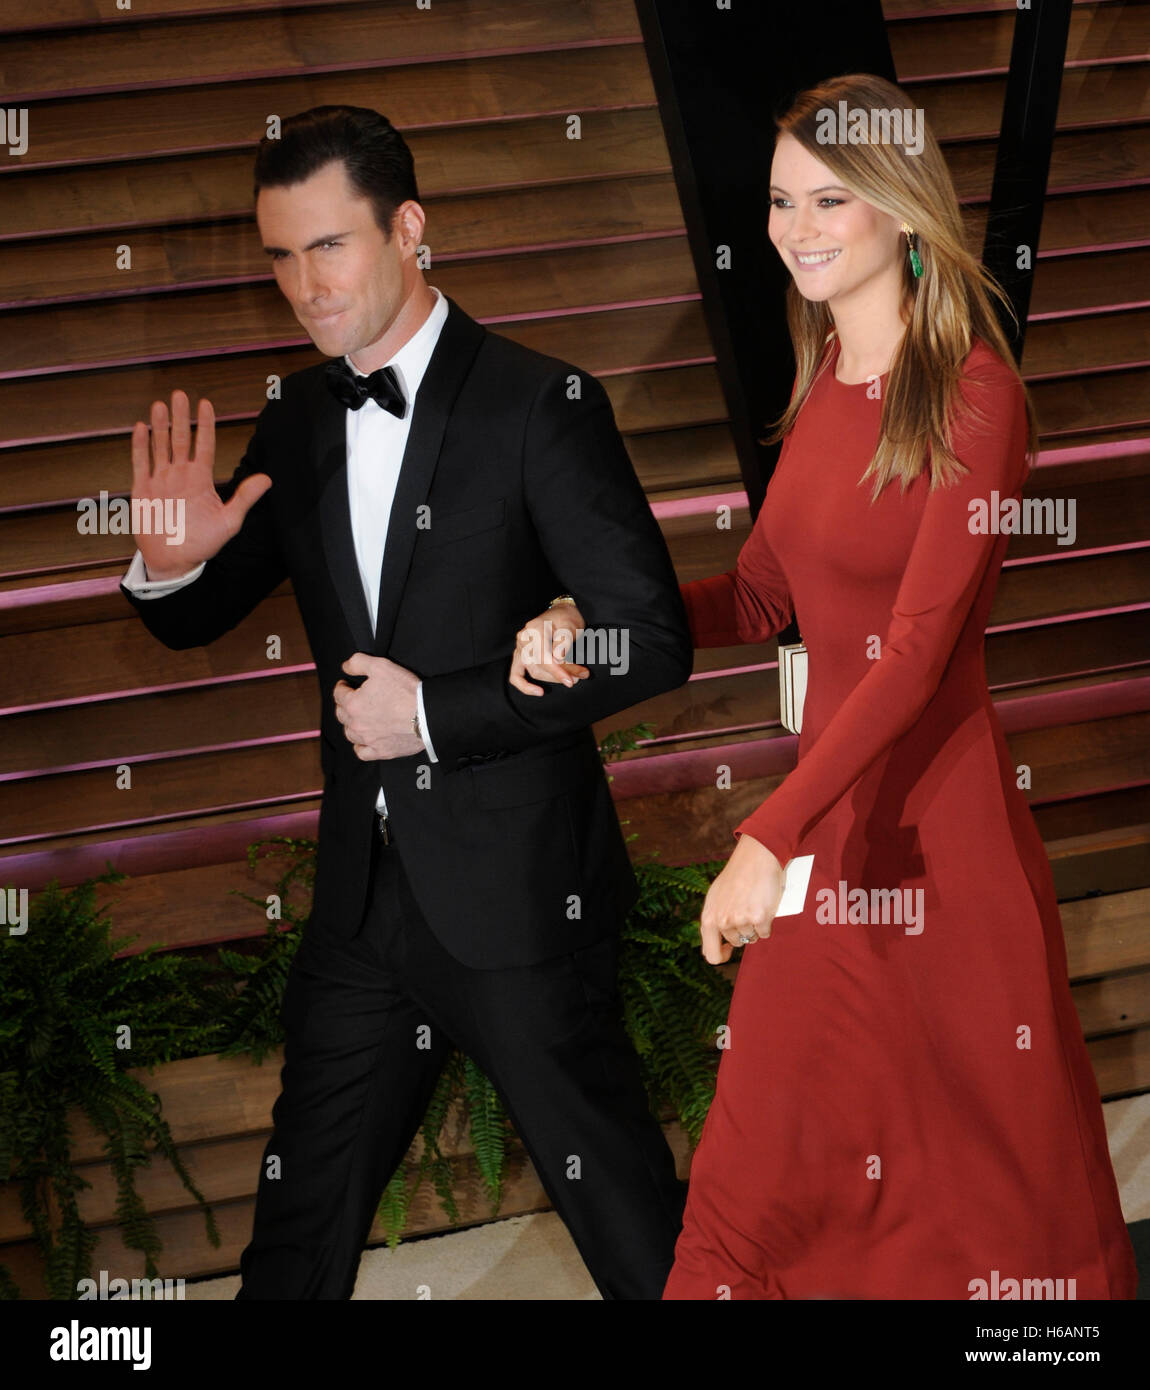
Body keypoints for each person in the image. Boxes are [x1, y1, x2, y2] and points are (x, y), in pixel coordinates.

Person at [508, 73, 1138, 1300]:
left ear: (903, 210)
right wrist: (602, 632)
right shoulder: (817, 392)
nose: (796, 227)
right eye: (782, 200)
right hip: (826, 835)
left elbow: (914, 655)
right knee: (753, 1193)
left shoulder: (977, 399)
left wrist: (765, 832)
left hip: (935, 853)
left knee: (991, 1215)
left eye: (829, 199)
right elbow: (755, 597)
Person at [120, 105, 694, 1300]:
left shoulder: (542, 405)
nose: (302, 286)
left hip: (523, 898)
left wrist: (436, 715)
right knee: (296, 1235)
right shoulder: (296, 413)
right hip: (362, 910)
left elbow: (648, 638)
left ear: (410, 229)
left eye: (327, 246)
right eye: (279, 256)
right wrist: (170, 564)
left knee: (637, 1235)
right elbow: (198, 614)